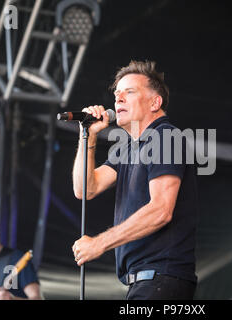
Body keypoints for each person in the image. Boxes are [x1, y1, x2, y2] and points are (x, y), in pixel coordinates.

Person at [71, 60, 199, 300]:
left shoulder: (166, 137)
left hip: (161, 278)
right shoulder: (128, 149)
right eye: (117, 93)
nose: (118, 98)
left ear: (155, 102)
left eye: (129, 92)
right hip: (144, 281)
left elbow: (161, 210)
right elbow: (85, 189)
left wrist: (100, 243)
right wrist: (86, 134)